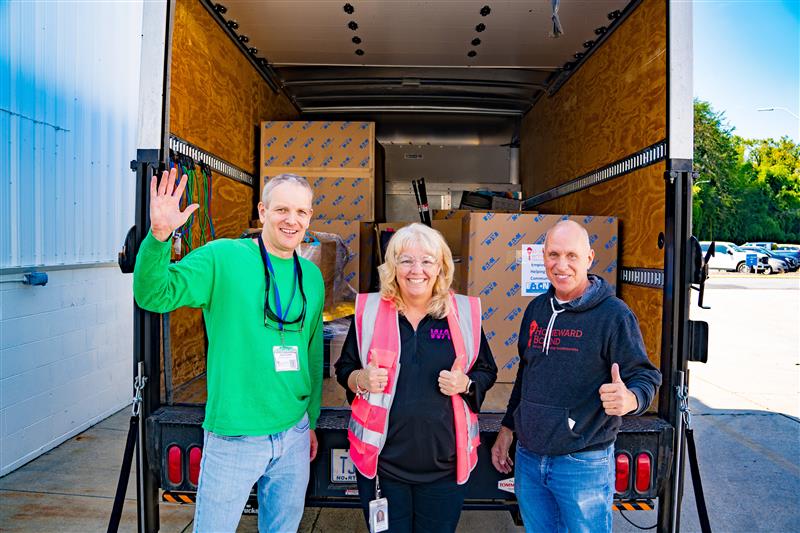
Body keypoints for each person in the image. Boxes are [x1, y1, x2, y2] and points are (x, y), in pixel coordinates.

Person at [133, 170, 324, 533]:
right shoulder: (223, 258)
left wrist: (310, 421)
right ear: (262, 211)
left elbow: (312, 352)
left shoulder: (310, 277)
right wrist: (159, 237)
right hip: (235, 435)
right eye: (282, 209)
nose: (292, 220)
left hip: (294, 433)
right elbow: (154, 294)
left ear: (310, 217)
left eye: (301, 212)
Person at [491, 220, 662, 533]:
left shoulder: (613, 315)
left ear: (589, 258)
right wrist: (507, 428)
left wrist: (630, 399)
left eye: (572, 255)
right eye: (553, 255)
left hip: (583, 463)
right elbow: (527, 375)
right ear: (543, 257)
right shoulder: (536, 310)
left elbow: (644, 375)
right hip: (529, 458)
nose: (561, 265)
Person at [335, 223, 498, 533]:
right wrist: (360, 379)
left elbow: (486, 370)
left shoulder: (462, 313)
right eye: (406, 260)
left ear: (440, 267)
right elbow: (344, 368)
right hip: (382, 467)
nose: (416, 270)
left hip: (445, 471)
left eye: (427, 261)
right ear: (393, 266)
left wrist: (466, 384)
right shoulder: (370, 310)